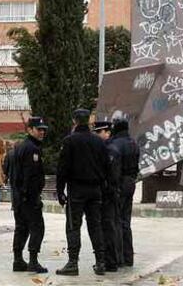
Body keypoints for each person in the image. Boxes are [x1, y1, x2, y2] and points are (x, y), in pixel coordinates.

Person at [56, 109, 110, 276]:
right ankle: (100, 262)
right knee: (95, 226)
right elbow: (106, 166)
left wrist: (60, 191)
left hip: (77, 190)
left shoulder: (69, 141)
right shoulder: (99, 142)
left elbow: (62, 168)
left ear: (74, 121)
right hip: (95, 190)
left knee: (73, 226)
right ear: (89, 120)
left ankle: (73, 263)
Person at [11, 117, 48, 274]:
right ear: (30, 130)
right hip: (28, 197)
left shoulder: (19, 147)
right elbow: (31, 175)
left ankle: (18, 260)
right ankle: (33, 261)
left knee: (21, 228)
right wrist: (31, 196)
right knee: (37, 227)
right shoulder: (32, 149)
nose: (41, 132)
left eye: (43, 130)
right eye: (38, 129)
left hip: (18, 196)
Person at [108, 118, 139, 267]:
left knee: (116, 221)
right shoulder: (133, 143)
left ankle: (118, 257)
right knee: (126, 221)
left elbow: (114, 169)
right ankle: (128, 257)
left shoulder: (116, 144)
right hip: (131, 182)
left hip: (120, 183)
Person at [93, 121, 121, 272]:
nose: (97, 135)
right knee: (106, 227)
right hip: (105, 194)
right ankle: (109, 260)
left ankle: (110, 261)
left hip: (108, 195)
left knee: (108, 228)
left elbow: (112, 177)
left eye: (99, 132)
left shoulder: (110, 150)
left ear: (107, 133)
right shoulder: (104, 149)